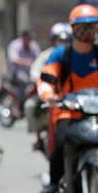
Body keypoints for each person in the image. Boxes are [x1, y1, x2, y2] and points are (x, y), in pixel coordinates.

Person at [37, 5, 98, 193]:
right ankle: (54, 184)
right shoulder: (61, 54)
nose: (87, 32)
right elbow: (46, 79)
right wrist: (48, 94)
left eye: (91, 27)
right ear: (73, 29)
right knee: (61, 143)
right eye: (81, 27)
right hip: (67, 113)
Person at [25, 22, 72, 151]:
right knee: (30, 106)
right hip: (50, 95)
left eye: (66, 40)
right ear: (54, 40)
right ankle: (39, 139)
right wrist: (43, 81)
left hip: (71, 95)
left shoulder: (75, 55)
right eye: (60, 40)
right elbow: (35, 71)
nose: (62, 43)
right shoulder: (48, 55)